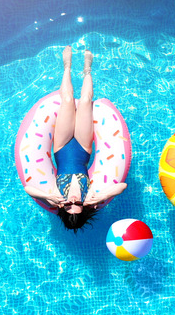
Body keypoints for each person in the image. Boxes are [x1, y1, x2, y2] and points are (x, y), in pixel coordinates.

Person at [24, 46, 127, 231]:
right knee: (86, 101)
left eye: (68, 208)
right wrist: (103, 197)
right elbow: (122, 186)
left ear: (62, 209)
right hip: (82, 147)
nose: (72, 203)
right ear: (83, 209)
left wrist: (48, 198)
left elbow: (27, 189)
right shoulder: (90, 198)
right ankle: (88, 69)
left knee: (68, 101)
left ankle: (67, 66)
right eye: (76, 207)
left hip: (61, 147)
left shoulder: (55, 198)